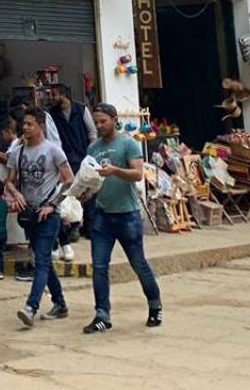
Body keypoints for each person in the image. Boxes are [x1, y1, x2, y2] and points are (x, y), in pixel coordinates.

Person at [83, 103, 163, 332]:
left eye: (103, 121)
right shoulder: (93, 148)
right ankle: (102, 315)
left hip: (127, 215)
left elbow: (138, 174)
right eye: (96, 122)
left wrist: (115, 171)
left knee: (138, 263)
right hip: (102, 215)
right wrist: (84, 192)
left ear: (114, 120)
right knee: (99, 266)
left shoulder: (128, 144)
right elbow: (92, 180)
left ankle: (155, 305)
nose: (99, 126)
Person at [4, 110, 74, 327]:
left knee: (41, 260)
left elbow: (70, 180)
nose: (25, 128)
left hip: (49, 215)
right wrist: (16, 194)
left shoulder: (53, 151)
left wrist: (53, 205)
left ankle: (31, 307)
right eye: (24, 124)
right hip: (29, 214)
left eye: (30, 124)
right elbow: (9, 181)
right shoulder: (18, 151)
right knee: (42, 260)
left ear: (41, 126)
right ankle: (60, 304)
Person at [48, 84, 96, 260]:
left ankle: (90, 228)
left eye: (54, 94)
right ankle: (73, 227)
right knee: (69, 193)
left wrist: (91, 154)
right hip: (65, 159)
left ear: (63, 95)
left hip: (83, 156)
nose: (52, 98)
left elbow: (92, 132)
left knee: (88, 192)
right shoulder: (52, 114)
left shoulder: (81, 110)